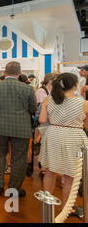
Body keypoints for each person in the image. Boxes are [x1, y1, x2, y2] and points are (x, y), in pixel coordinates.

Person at [0, 61, 37, 197]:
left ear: (4, 72)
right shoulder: (28, 88)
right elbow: (33, 109)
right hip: (21, 128)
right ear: (19, 73)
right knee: (19, 158)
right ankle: (14, 188)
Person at [38, 73, 88, 210]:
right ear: (76, 85)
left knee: (50, 171)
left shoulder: (49, 100)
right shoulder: (84, 103)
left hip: (53, 134)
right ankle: (67, 207)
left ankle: (47, 205)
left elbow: (42, 120)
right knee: (71, 175)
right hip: (74, 137)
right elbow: (87, 125)